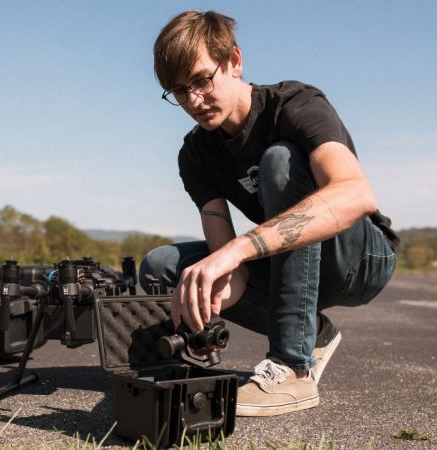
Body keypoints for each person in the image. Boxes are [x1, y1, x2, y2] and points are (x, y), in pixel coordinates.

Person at [140, 10, 399, 417]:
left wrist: (237, 250)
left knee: (280, 160)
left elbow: (356, 194)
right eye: (178, 91)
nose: (193, 100)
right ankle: (311, 332)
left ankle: (293, 368)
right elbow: (234, 273)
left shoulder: (294, 104)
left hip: (358, 261)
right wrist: (207, 302)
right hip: (290, 265)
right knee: (166, 266)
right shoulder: (195, 154)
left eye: (201, 80)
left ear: (234, 62)